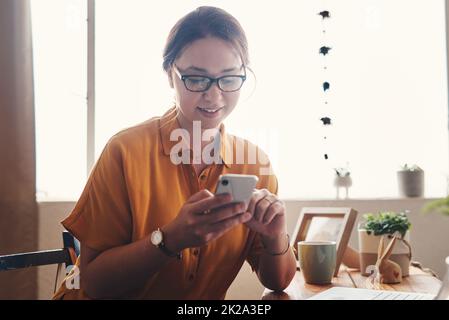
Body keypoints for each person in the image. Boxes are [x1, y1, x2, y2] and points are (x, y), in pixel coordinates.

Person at [53, 6, 297, 300]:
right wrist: (169, 240)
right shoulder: (125, 152)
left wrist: (275, 236)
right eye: (196, 78)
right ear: (171, 75)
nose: (214, 95)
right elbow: (93, 283)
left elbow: (278, 282)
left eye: (229, 78)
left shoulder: (253, 165)